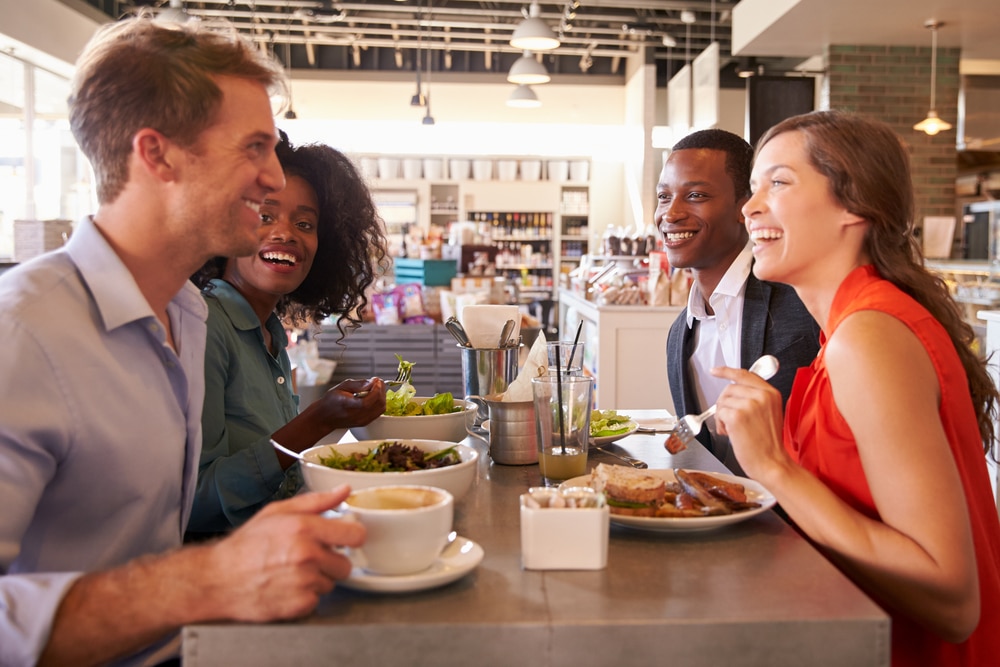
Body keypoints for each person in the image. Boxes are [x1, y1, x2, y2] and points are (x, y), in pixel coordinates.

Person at [0, 16, 365, 667]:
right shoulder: (23, 331)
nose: (275, 177)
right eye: (253, 147)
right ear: (157, 153)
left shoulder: (187, 314)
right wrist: (202, 577)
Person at [713, 110, 1000, 666]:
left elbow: (954, 602)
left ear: (853, 206)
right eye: (752, 188)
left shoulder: (866, 337)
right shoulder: (848, 329)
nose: (749, 207)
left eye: (778, 182)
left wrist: (775, 468)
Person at [188, 135, 389, 533]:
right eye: (265, 216)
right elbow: (194, 504)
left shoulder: (269, 333)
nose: (286, 233)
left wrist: (334, 417)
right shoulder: (205, 327)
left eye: (304, 223)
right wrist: (314, 422)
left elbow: (275, 474)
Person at [657, 128, 820, 470]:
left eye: (696, 195)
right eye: (663, 196)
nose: (670, 214)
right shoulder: (679, 336)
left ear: (744, 206)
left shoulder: (801, 305)